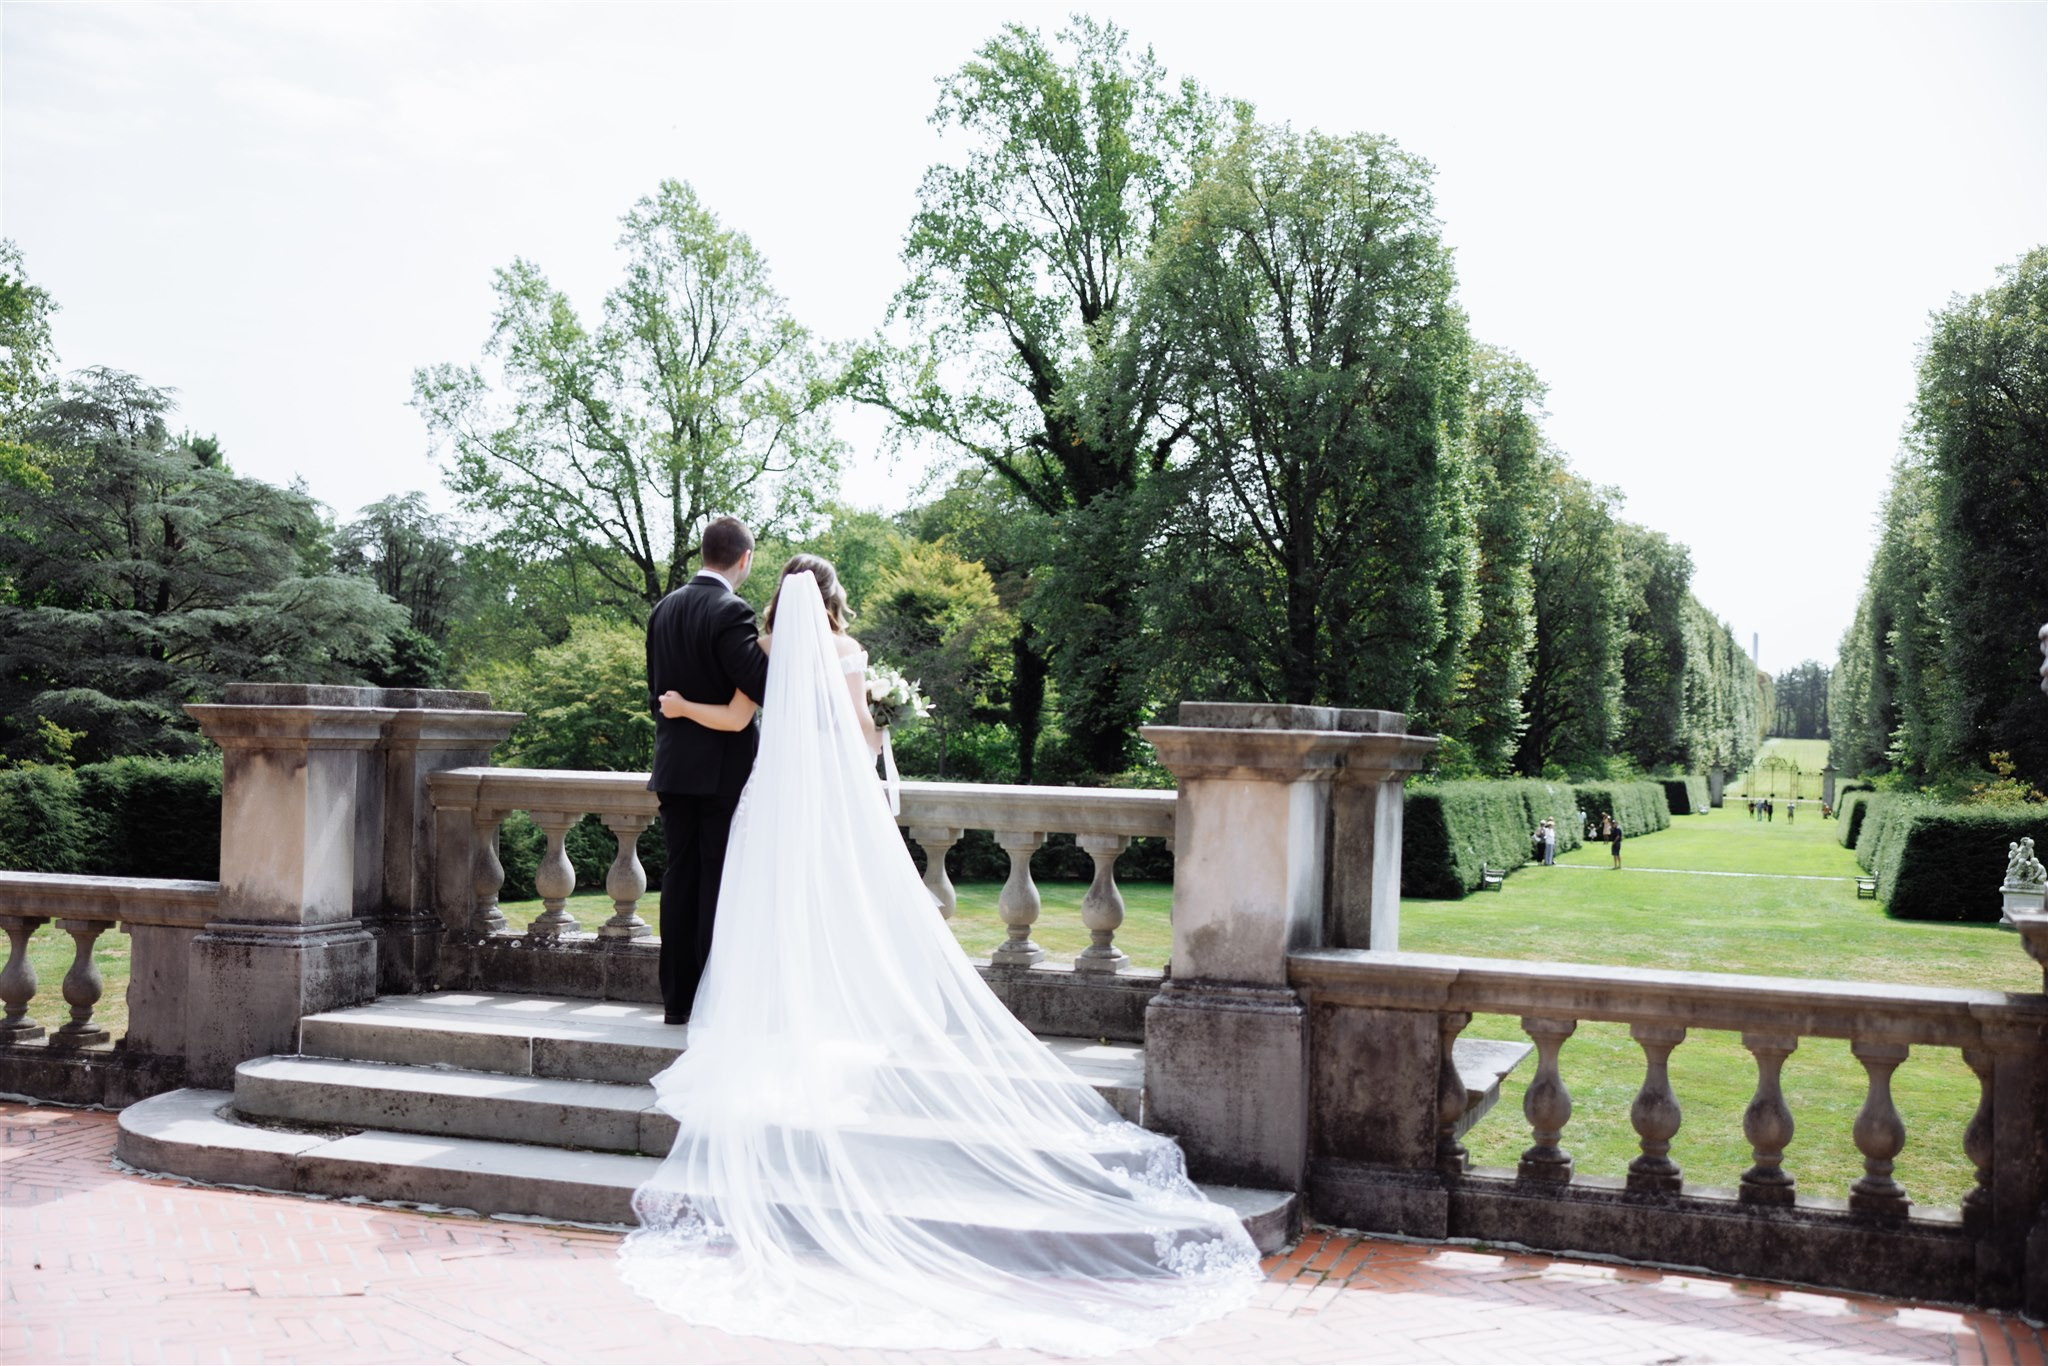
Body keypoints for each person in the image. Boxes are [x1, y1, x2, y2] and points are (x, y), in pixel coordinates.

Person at [621, 563, 1262, 1353]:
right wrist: (882, 732)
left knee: (776, 910)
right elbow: (856, 736)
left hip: (770, 803)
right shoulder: (845, 652)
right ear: (832, 598)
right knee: (852, 912)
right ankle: (860, 1011)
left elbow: (748, 721)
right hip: (834, 804)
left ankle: (787, 1015)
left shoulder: (763, 650)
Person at [644, 516, 770, 1026]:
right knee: (716, 883)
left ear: (704, 553)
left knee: (679, 881)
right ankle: (709, 1001)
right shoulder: (731, 612)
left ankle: (676, 1001)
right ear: (744, 559)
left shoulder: (662, 609)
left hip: (674, 769)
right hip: (721, 773)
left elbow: (656, 695)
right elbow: (765, 684)